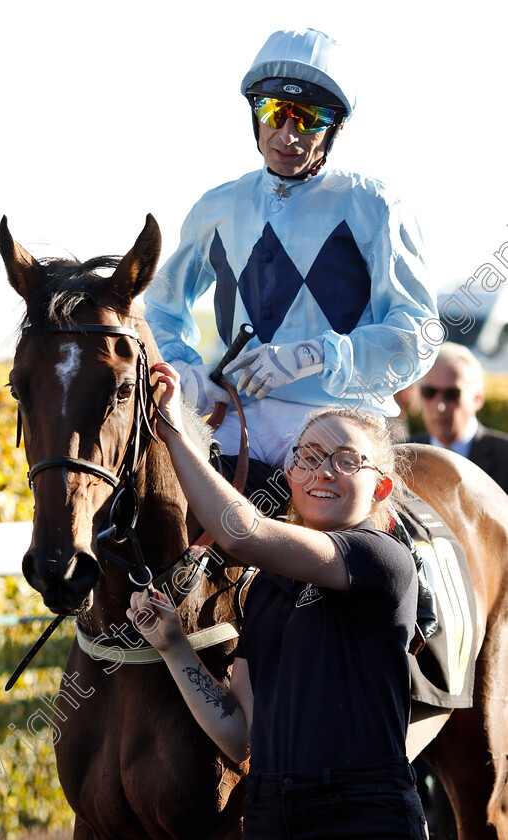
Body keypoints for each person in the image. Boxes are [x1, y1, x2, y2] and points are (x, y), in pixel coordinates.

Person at [126, 362, 427, 840]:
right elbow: (240, 736)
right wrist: (172, 646)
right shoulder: (267, 586)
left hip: (364, 811)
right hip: (269, 812)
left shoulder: (380, 557)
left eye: (347, 460)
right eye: (308, 456)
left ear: (381, 488)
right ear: (289, 473)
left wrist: (175, 433)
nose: (322, 471)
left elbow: (243, 534)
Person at [143, 27, 438, 471]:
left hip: (340, 419)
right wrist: (186, 372)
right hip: (236, 416)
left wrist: (316, 355)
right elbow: (160, 308)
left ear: (335, 127)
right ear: (255, 115)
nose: (287, 133)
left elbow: (418, 334)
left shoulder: (376, 207)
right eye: (275, 110)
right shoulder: (216, 206)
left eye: (308, 117)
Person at [411, 341, 508, 494]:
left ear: (477, 399)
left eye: (452, 394)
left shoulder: (504, 457)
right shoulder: (402, 457)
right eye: (430, 392)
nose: (439, 406)